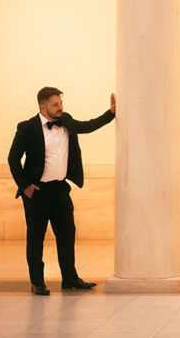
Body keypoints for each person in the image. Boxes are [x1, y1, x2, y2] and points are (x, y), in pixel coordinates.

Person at [8, 86, 116, 295]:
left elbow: (87, 126)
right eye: (55, 105)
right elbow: (13, 159)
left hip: (60, 190)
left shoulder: (66, 120)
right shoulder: (27, 128)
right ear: (43, 106)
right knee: (36, 237)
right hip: (37, 192)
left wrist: (110, 113)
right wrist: (25, 186)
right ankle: (37, 282)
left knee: (67, 235)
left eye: (61, 103)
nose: (60, 108)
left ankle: (70, 278)